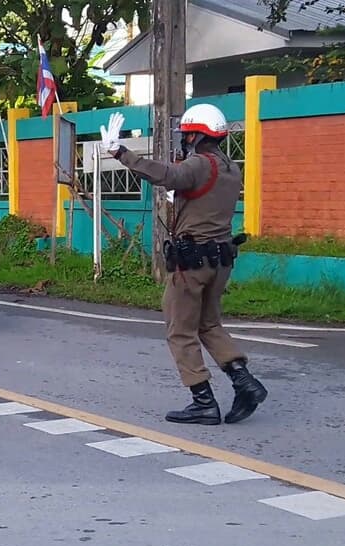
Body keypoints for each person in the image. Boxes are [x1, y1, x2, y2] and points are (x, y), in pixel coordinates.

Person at [99, 105, 267, 425]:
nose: (184, 140)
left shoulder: (200, 164)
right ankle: (244, 380)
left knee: (180, 330)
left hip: (192, 265)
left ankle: (203, 401)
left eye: (187, 134)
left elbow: (168, 175)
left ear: (197, 135)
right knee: (209, 325)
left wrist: (120, 151)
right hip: (220, 260)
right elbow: (194, 191)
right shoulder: (229, 167)